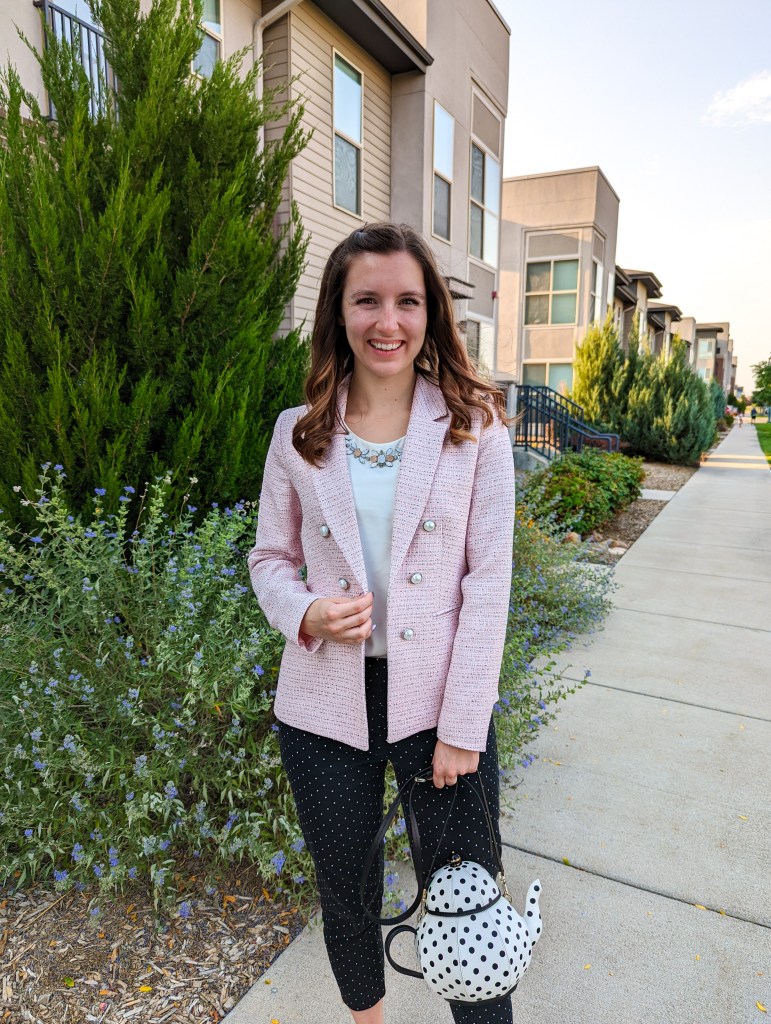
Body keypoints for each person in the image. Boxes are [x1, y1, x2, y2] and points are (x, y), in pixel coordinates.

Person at [248, 222, 517, 1024]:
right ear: (338, 311)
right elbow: (268, 558)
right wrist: (307, 611)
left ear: (431, 312)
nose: (386, 321)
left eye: (406, 300)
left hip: (440, 706)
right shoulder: (299, 432)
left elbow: (488, 580)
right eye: (366, 300)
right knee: (347, 889)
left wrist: (465, 725)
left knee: (468, 896)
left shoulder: (475, 426)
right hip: (325, 705)